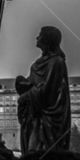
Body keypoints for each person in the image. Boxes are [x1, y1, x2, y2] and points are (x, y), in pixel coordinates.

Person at [17, 26, 71, 154]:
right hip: (35, 118)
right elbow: (33, 84)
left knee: (38, 152)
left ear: (47, 39)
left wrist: (26, 96)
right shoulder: (37, 63)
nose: (37, 37)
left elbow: (48, 93)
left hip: (48, 122)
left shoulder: (57, 62)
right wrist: (21, 83)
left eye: (40, 35)